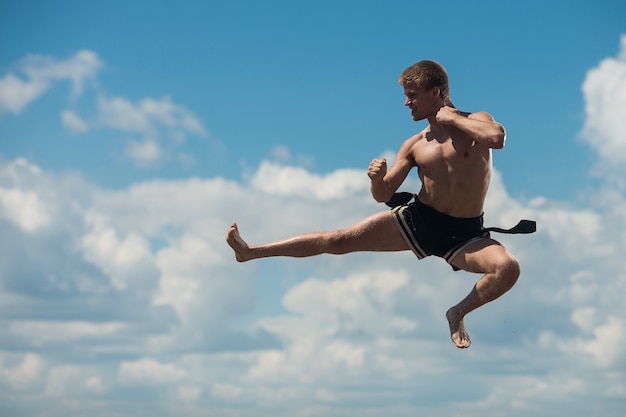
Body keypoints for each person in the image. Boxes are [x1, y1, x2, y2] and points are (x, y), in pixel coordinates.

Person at [226, 60, 535, 349]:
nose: (406, 103)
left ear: (435, 93)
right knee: (333, 240)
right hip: (420, 222)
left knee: (507, 268)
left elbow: (497, 138)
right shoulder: (415, 145)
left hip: (465, 235)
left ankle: (457, 313)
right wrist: (377, 179)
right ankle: (251, 252)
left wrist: (452, 116)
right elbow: (383, 194)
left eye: (412, 95)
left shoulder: (476, 121)